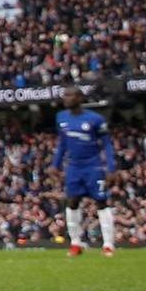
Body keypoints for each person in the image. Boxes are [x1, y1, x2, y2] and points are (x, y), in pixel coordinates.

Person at [51, 87, 118, 257]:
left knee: (101, 202)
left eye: (70, 95)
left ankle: (108, 244)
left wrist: (111, 168)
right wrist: (55, 165)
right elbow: (62, 144)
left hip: (93, 167)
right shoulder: (61, 117)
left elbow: (107, 144)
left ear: (80, 98)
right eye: (64, 95)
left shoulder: (95, 119)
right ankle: (75, 243)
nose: (65, 98)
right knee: (72, 202)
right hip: (73, 168)